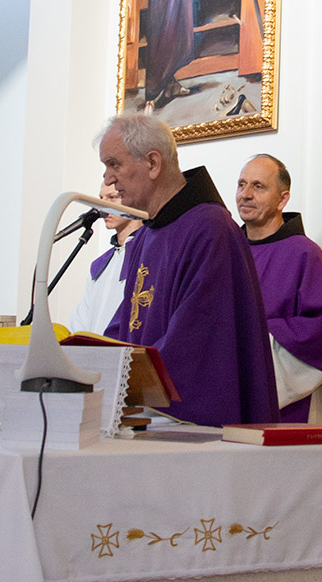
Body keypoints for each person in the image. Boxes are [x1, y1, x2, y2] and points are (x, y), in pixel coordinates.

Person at [99, 113, 277, 426]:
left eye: (114, 164)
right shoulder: (147, 236)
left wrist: (130, 383)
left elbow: (198, 348)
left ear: (153, 163)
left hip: (183, 423)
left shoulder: (210, 229)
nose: (108, 178)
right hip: (143, 415)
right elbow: (125, 327)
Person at [236, 154, 322, 438]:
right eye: (242, 184)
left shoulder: (305, 254)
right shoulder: (227, 252)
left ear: (283, 200)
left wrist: (254, 335)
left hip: (290, 406)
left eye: (258, 186)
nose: (246, 194)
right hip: (232, 397)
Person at [67, 182, 144, 335]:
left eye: (112, 197)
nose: (103, 206)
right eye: (101, 198)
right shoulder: (99, 265)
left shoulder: (148, 256)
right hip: (93, 349)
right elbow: (80, 324)